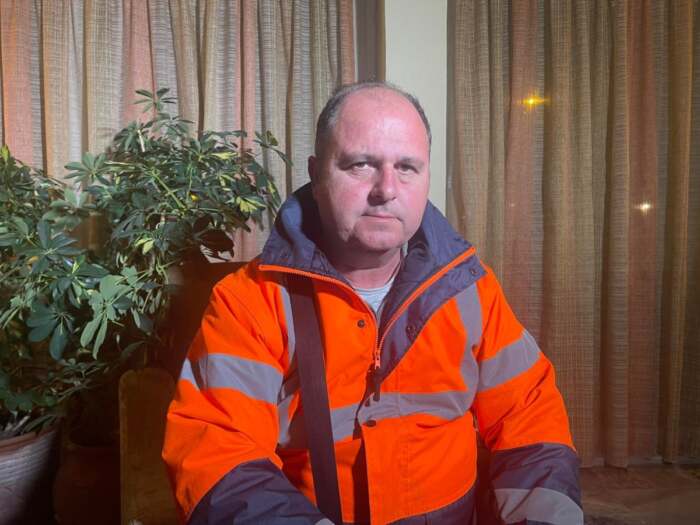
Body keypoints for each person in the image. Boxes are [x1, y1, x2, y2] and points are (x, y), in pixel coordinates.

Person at [162, 81, 582, 525]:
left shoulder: (469, 288)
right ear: (316, 175)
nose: (387, 189)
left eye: (407, 167)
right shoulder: (249, 301)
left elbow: (530, 414)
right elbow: (218, 451)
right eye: (360, 164)